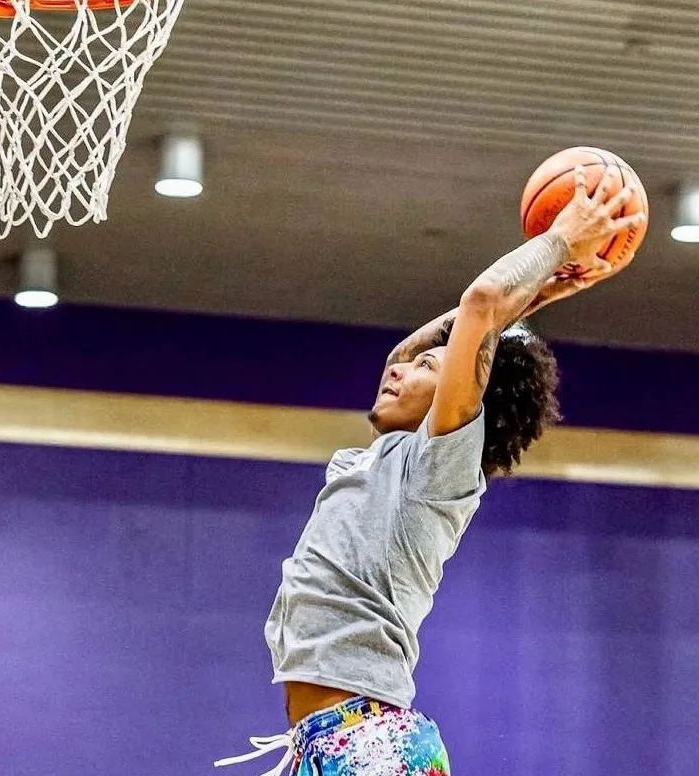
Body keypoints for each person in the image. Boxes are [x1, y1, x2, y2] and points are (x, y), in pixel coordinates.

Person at [214, 166, 644, 776]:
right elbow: (415, 346)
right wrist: (540, 291)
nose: (400, 367)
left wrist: (558, 242)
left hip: (370, 741)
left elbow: (480, 305)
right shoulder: (385, 457)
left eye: (428, 369)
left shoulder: (438, 466)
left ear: (458, 399)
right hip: (335, 738)